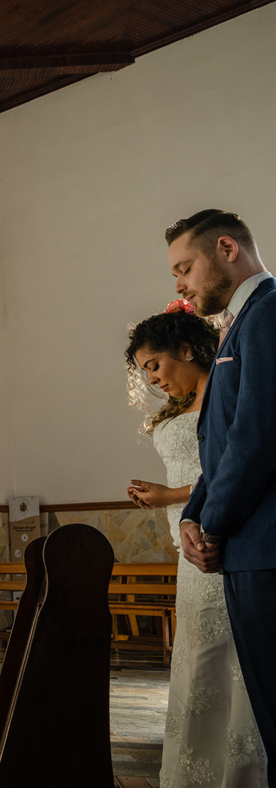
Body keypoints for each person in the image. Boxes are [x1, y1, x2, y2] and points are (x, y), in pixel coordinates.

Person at [125, 300, 267, 785]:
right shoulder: (178, 407)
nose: (153, 379)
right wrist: (164, 499)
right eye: (145, 371)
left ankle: (242, 768)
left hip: (225, 536)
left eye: (155, 365)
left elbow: (234, 468)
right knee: (196, 657)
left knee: (231, 656)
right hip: (186, 538)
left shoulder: (226, 392)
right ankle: (195, 767)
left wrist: (169, 495)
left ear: (186, 349)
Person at [167, 209, 276, 783]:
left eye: (185, 268)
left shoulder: (269, 313)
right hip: (248, 548)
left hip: (266, 548)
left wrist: (211, 524)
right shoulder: (240, 324)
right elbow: (223, 443)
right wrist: (192, 514)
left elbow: (257, 437)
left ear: (227, 249)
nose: (180, 285)